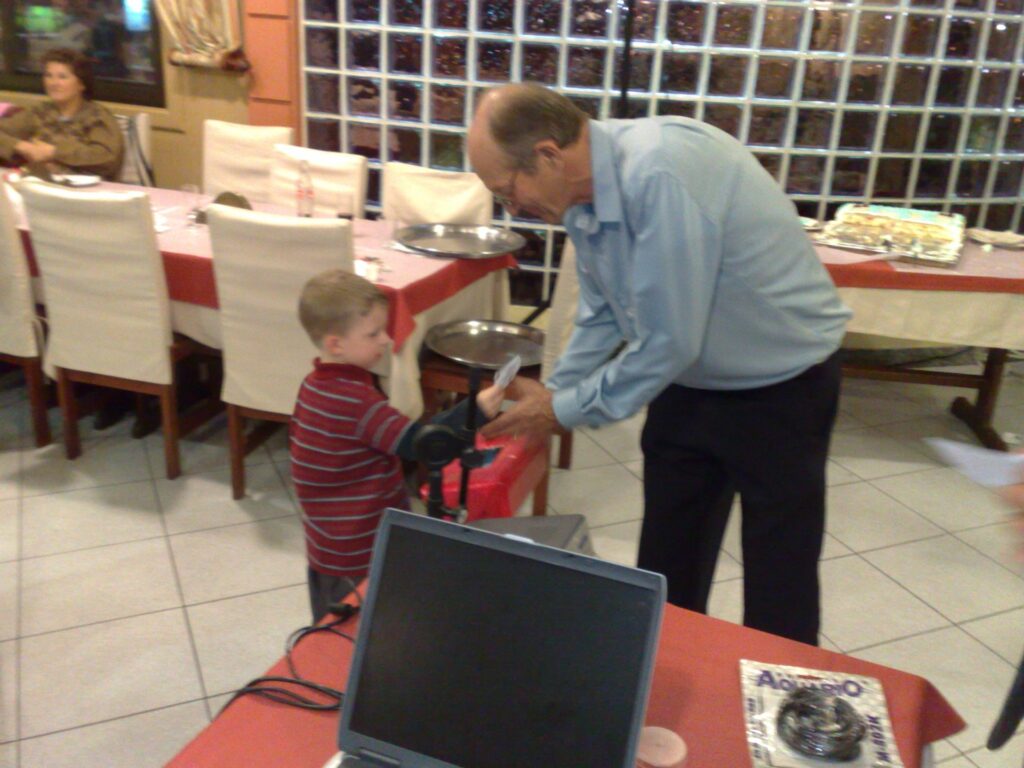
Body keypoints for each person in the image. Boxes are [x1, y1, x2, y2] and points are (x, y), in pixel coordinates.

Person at [468, 83, 851, 645]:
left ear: (548, 155)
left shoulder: (660, 172)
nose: (514, 208)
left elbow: (669, 340)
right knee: (667, 567)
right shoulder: (581, 196)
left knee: (779, 577)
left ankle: (782, 691)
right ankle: (666, 680)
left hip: (782, 386)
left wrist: (561, 410)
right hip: (689, 382)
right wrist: (556, 390)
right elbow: (603, 310)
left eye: (508, 191)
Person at [292, 269, 506, 622]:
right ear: (335, 344)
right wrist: (474, 411)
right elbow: (421, 444)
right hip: (359, 548)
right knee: (361, 630)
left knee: (331, 629)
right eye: (373, 333)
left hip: (326, 543)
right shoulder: (356, 400)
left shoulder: (313, 385)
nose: (387, 340)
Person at [0, 48, 124, 180]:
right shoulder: (39, 112)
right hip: (39, 184)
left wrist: (53, 152)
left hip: (86, 188)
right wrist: (21, 146)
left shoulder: (97, 116)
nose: (53, 83)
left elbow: (107, 157)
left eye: (62, 77)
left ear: (81, 84)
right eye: (48, 75)